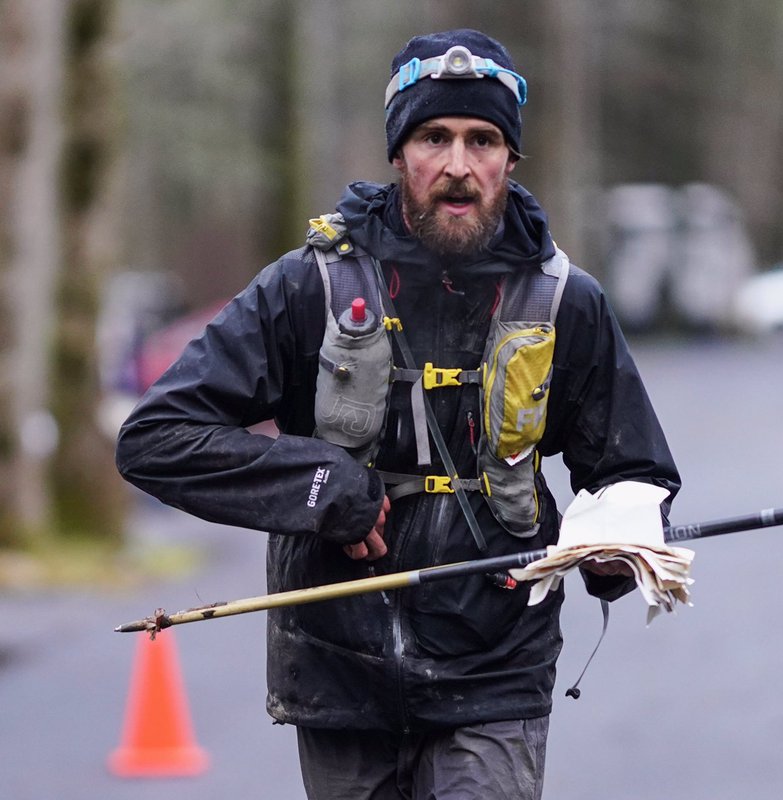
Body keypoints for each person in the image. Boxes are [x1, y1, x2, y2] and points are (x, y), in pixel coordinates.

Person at [115, 28, 679, 800]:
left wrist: (617, 550)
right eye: (432, 137)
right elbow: (156, 440)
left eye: (482, 140)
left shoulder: (564, 303)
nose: (457, 165)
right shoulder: (305, 288)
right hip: (339, 671)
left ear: (511, 159)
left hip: (497, 673)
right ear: (397, 152)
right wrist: (318, 484)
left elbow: (634, 472)